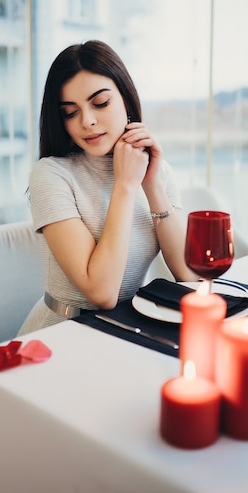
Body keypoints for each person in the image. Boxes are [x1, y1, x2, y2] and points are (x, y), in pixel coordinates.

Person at [18, 40, 196, 333]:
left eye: (100, 103)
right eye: (70, 112)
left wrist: (151, 184)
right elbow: (102, 293)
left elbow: (190, 276)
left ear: (126, 100)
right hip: (62, 333)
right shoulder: (51, 175)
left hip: (129, 329)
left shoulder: (154, 169)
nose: (87, 121)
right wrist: (125, 186)